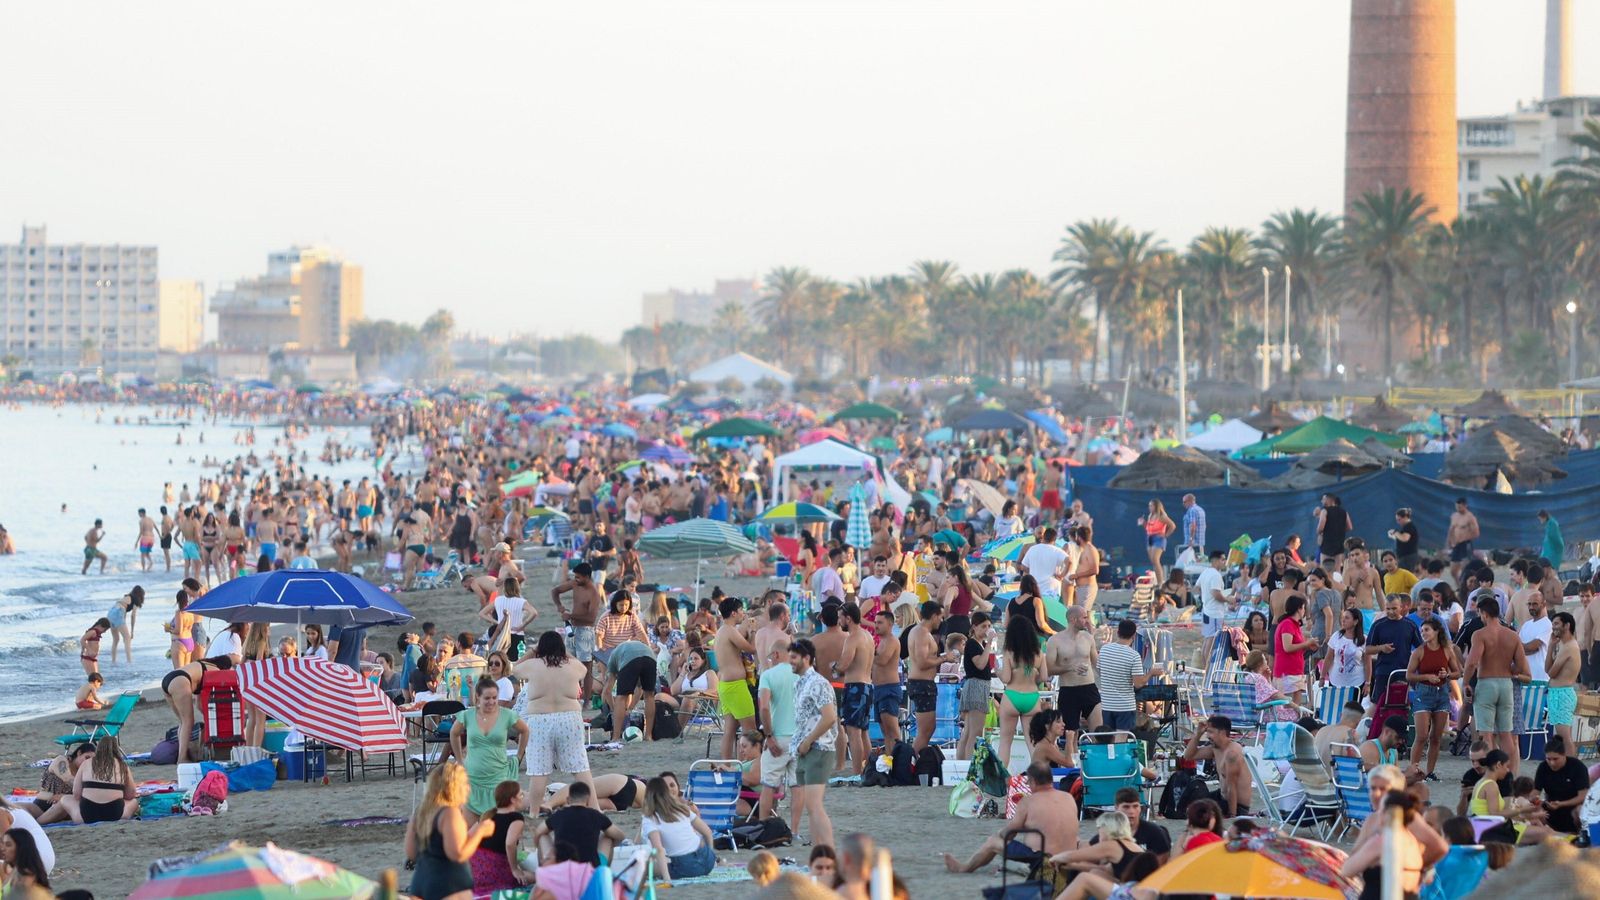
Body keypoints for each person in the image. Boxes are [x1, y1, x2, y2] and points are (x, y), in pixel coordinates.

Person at [943, 762, 1079, 873]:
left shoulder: (1028, 802)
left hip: (1041, 860)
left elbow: (1010, 833)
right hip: (1069, 856)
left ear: (1032, 781)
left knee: (993, 842)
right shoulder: (1068, 798)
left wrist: (999, 835)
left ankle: (964, 868)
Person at [512, 630, 594, 809]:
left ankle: (534, 812)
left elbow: (514, 668)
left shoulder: (534, 664)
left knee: (539, 772)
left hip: (540, 720)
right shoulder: (572, 665)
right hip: (569, 719)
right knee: (580, 767)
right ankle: (595, 807)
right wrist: (565, 652)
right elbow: (584, 668)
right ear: (562, 649)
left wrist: (532, 651)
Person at [1462, 597, 1531, 776]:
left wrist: (1466, 683)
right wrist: (1508, 667)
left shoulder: (1480, 634)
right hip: (1506, 684)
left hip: (1486, 683)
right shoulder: (1512, 635)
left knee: (1487, 734)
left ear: (1484, 614)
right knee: (1506, 734)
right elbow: (1522, 667)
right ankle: (1508, 772)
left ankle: (1492, 773)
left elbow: (1472, 663)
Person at [407, 760, 495, 900]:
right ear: (454, 786)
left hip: (421, 882)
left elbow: (411, 852)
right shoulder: (449, 814)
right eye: (465, 784)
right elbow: (457, 854)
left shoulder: (420, 812)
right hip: (448, 886)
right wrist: (480, 832)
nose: (468, 789)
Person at [450, 677, 529, 824]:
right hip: (472, 779)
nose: (491, 702)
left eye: (494, 698)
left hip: (498, 777)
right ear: (478, 697)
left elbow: (525, 731)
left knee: (497, 828)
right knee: (469, 833)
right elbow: (454, 734)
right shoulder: (468, 715)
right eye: (487, 698)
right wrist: (460, 760)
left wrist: (519, 755)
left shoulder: (506, 715)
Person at [787, 638, 839, 849]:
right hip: (805, 748)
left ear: (806, 658)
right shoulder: (801, 682)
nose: (789, 661)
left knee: (815, 805)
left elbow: (830, 717)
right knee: (811, 806)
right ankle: (820, 852)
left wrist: (808, 741)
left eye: (793, 657)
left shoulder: (818, 683)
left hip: (819, 748)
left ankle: (829, 850)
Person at [1340, 790, 1425, 900]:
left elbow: (1347, 870)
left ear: (1388, 813)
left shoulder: (1381, 842)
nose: (1377, 814)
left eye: (1381, 810)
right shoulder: (1414, 841)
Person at [1406, 619, 1459, 782]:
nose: (1424, 633)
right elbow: (1409, 675)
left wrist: (1447, 675)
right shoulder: (1419, 651)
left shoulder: (1447, 650)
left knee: (1436, 736)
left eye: (1427, 630)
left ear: (1436, 631)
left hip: (1441, 693)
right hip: (1424, 693)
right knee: (1421, 735)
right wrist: (1425, 676)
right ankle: (1414, 770)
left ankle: (1430, 771)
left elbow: (1457, 672)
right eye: (1422, 631)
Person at [1467, 749, 1556, 844]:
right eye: (1506, 766)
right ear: (1498, 765)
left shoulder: (1481, 782)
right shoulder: (1491, 785)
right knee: (1547, 834)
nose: (1507, 770)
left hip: (1484, 827)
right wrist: (1522, 810)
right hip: (1492, 830)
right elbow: (1494, 815)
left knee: (1546, 831)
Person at [640, 776, 717, 881]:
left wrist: (667, 878)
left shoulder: (650, 818)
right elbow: (707, 832)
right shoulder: (682, 809)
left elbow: (658, 849)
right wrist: (711, 855)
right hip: (708, 861)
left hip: (685, 867)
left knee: (644, 865)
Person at [161, 655, 234, 763]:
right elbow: (203, 703)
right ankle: (182, 758)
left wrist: (208, 719)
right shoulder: (216, 671)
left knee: (183, 722)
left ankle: (183, 755)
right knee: (188, 722)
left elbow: (199, 704)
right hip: (181, 680)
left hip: (168, 679)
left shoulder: (202, 666)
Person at [758, 634, 799, 821]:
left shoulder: (768, 675)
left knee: (768, 784)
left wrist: (768, 735)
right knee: (797, 787)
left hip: (779, 736)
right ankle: (796, 830)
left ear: (775, 654)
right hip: (800, 737)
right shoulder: (801, 673)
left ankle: (763, 826)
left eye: (769, 657)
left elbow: (764, 707)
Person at [998, 615, 1047, 771]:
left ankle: (1002, 780)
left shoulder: (1009, 652)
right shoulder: (1039, 653)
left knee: (1005, 741)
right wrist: (1032, 675)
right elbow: (1045, 677)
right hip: (1032, 697)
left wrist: (997, 671)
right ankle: (1039, 777)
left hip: (1012, 696)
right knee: (1032, 742)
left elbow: (1006, 678)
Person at [535, 780, 624, 865]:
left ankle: (545, 868)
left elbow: (539, 831)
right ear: (588, 800)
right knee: (608, 837)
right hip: (591, 867)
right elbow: (620, 835)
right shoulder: (596, 815)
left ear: (568, 799)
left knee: (543, 836)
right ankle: (602, 871)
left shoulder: (559, 815)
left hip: (562, 865)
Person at [905, 600, 953, 754]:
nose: (941, 621)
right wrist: (945, 658)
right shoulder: (921, 633)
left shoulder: (921, 632)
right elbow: (922, 662)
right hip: (922, 684)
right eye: (940, 617)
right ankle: (911, 764)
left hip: (924, 684)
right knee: (925, 731)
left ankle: (917, 763)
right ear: (933, 616)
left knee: (928, 729)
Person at [551, 562, 604, 702]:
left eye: (579, 577)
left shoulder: (593, 593)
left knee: (586, 667)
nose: (576, 579)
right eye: (575, 577)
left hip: (586, 631)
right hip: (572, 629)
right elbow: (555, 591)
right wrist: (559, 606)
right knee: (568, 662)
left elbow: (591, 618)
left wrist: (571, 616)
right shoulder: (575, 584)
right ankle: (573, 695)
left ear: (587, 577)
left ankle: (587, 700)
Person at [1098, 618, 1159, 734]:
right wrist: (1151, 673)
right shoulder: (1133, 656)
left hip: (1106, 704)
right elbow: (1138, 684)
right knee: (1121, 739)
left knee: (1108, 739)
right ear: (1134, 635)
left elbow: (1100, 672)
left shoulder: (1104, 650)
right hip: (1124, 706)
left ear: (1118, 632)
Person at [1046, 809, 1144, 880]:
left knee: (1085, 879)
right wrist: (1071, 865)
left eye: (1099, 827)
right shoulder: (1129, 844)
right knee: (1095, 873)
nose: (1098, 831)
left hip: (1132, 894)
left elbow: (1074, 855)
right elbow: (1103, 869)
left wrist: (1054, 858)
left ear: (1106, 828)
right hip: (1138, 890)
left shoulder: (1112, 845)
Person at [471, 781, 534, 891]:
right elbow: (510, 844)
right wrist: (514, 869)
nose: (523, 798)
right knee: (536, 877)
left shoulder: (487, 815)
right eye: (521, 795)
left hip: (476, 870)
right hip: (496, 870)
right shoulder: (516, 817)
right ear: (513, 800)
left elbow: (468, 836)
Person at [1184, 715, 1249, 816]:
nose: (1208, 736)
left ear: (1222, 732)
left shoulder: (1232, 754)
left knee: (1198, 813)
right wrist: (1198, 734)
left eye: (1211, 732)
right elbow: (1188, 756)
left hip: (1236, 806)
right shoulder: (1216, 749)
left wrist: (1232, 815)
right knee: (1191, 799)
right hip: (1222, 797)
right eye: (1207, 732)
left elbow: (1232, 787)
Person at [65, 738, 136, 824]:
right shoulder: (122, 766)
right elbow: (131, 794)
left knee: (65, 799)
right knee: (134, 802)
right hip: (115, 815)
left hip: (87, 816)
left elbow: (76, 794)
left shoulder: (86, 763)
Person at [601, 639, 659, 742]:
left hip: (630, 658)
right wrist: (630, 709)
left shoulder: (613, 658)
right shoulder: (624, 649)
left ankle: (616, 737)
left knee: (621, 697)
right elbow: (640, 689)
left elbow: (607, 691)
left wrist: (614, 709)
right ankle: (648, 735)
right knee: (649, 696)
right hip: (650, 656)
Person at [956, 612, 996, 761]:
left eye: (989, 626)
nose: (986, 629)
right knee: (975, 732)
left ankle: (961, 764)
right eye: (983, 626)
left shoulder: (981, 644)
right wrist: (990, 644)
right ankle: (968, 765)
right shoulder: (972, 644)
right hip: (976, 686)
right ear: (974, 627)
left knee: (968, 731)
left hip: (978, 685)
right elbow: (980, 664)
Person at [1366, 594, 1422, 699]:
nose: (1391, 612)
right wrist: (1381, 648)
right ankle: (1371, 716)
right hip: (1383, 670)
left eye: (1394, 608)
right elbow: (1368, 649)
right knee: (1379, 702)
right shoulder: (1379, 625)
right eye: (1388, 609)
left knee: (1401, 702)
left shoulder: (1410, 625)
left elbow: (1421, 648)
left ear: (1401, 607)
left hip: (1403, 671)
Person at [1534, 735, 1589, 834]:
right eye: (1548, 759)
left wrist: (1562, 804)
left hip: (1573, 807)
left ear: (1564, 755)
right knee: (1534, 810)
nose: (1552, 763)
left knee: (1580, 811)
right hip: (1551, 806)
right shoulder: (1543, 767)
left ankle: (1582, 834)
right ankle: (1548, 834)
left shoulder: (1577, 767)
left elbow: (1583, 796)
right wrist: (1535, 800)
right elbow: (1536, 791)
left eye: (1555, 759)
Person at [31, 742, 95, 825]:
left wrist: (64, 797)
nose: (88, 762)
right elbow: (68, 779)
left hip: (64, 810)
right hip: (43, 804)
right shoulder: (61, 760)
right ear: (79, 753)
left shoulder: (85, 772)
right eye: (87, 758)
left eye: (91, 761)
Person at [1272, 595, 1316, 707]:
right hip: (1287, 671)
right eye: (1304, 608)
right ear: (1299, 608)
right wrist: (1306, 643)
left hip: (1295, 670)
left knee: (1296, 706)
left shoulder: (1294, 625)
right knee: (1288, 706)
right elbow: (1287, 647)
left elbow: (1295, 646)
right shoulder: (1288, 624)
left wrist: (1307, 646)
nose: (1304, 611)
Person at [479, 577, 536, 661]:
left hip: (500, 634)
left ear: (505, 588)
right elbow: (534, 612)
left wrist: (496, 622)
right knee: (515, 662)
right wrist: (523, 625)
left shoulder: (498, 600)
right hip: (516, 634)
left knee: (501, 660)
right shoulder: (521, 601)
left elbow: (482, 613)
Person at [1546, 611, 1581, 749]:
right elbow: (1547, 669)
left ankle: (1572, 768)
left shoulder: (1569, 647)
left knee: (1565, 738)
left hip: (1563, 694)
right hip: (1558, 694)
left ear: (1566, 626)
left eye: (1556, 624)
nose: (1553, 627)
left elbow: (1551, 673)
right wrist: (1551, 646)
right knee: (1562, 738)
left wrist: (1552, 647)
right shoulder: (1563, 645)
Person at [870, 610, 904, 750]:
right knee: (885, 731)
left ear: (890, 624)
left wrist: (866, 652)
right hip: (879, 689)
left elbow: (882, 660)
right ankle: (890, 761)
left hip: (888, 688)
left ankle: (900, 760)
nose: (876, 625)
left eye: (880, 622)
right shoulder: (881, 641)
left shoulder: (891, 640)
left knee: (892, 730)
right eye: (875, 622)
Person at [0, 828, 51, 896]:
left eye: (8, 845)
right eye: (3, 844)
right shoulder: (16, 870)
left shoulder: (26, 876)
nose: (2, 848)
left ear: (21, 847)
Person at [1019, 527, 1069, 597]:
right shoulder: (1057, 550)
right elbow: (1069, 562)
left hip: (1035, 587)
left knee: (1037, 607)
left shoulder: (1032, 549)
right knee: (1050, 608)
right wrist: (1062, 575)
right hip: (1052, 588)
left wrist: (1034, 570)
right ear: (1054, 540)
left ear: (1044, 537)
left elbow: (1023, 567)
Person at [1138, 499, 1176, 583]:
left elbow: (1172, 525)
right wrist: (1143, 523)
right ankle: (1157, 580)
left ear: (1156, 506)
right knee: (1153, 561)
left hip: (1159, 538)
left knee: (1155, 559)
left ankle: (1160, 583)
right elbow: (1148, 528)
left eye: (1151, 505)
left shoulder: (1161, 516)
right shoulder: (1150, 515)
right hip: (1150, 538)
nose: (1150, 507)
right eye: (1149, 506)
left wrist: (1165, 535)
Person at [105, 586, 144, 665]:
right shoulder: (135, 601)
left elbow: (123, 615)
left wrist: (124, 627)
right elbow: (133, 616)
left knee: (116, 639)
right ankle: (129, 661)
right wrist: (132, 631)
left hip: (110, 613)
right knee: (127, 638)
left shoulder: (126, 597)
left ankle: (113, 661)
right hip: (118, 613)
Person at [1447, 497, 1480, 584]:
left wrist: (1464, 538)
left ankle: (1466, 587)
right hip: (1456, 545)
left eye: (1460, 507)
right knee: (1453, 571)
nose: (1458, 509)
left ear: (1465, 506)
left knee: (1465, 569)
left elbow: (1476, 533)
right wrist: (1449, 541)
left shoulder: (1470, 517)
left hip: (1466, 544)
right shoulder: (1454, 516)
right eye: (1457, 507)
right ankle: (1459, 586)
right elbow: (1451, 529)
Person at [1315, 494, 1351, 569]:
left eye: (1323, 499)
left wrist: (1319, 532)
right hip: (1339, 545)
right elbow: (1349, 527)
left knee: (1324, 569)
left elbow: (1321, 527)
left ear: (1329, 500)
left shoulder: (1324, 511)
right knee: (1337, 569)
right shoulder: (1344, 511)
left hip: (1327, 545)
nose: (1322, 501)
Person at [1388, 507, 1421, 573]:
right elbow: (1402, 539)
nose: (1398, 522)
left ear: (1405, 517)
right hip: (1405, 557)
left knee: (1406, 577)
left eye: (1399, 520)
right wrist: (1395, 536)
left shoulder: (1409, 526)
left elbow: (1405, 538)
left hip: (1407, 558)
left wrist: (1395, 533)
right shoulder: (1407, 527)